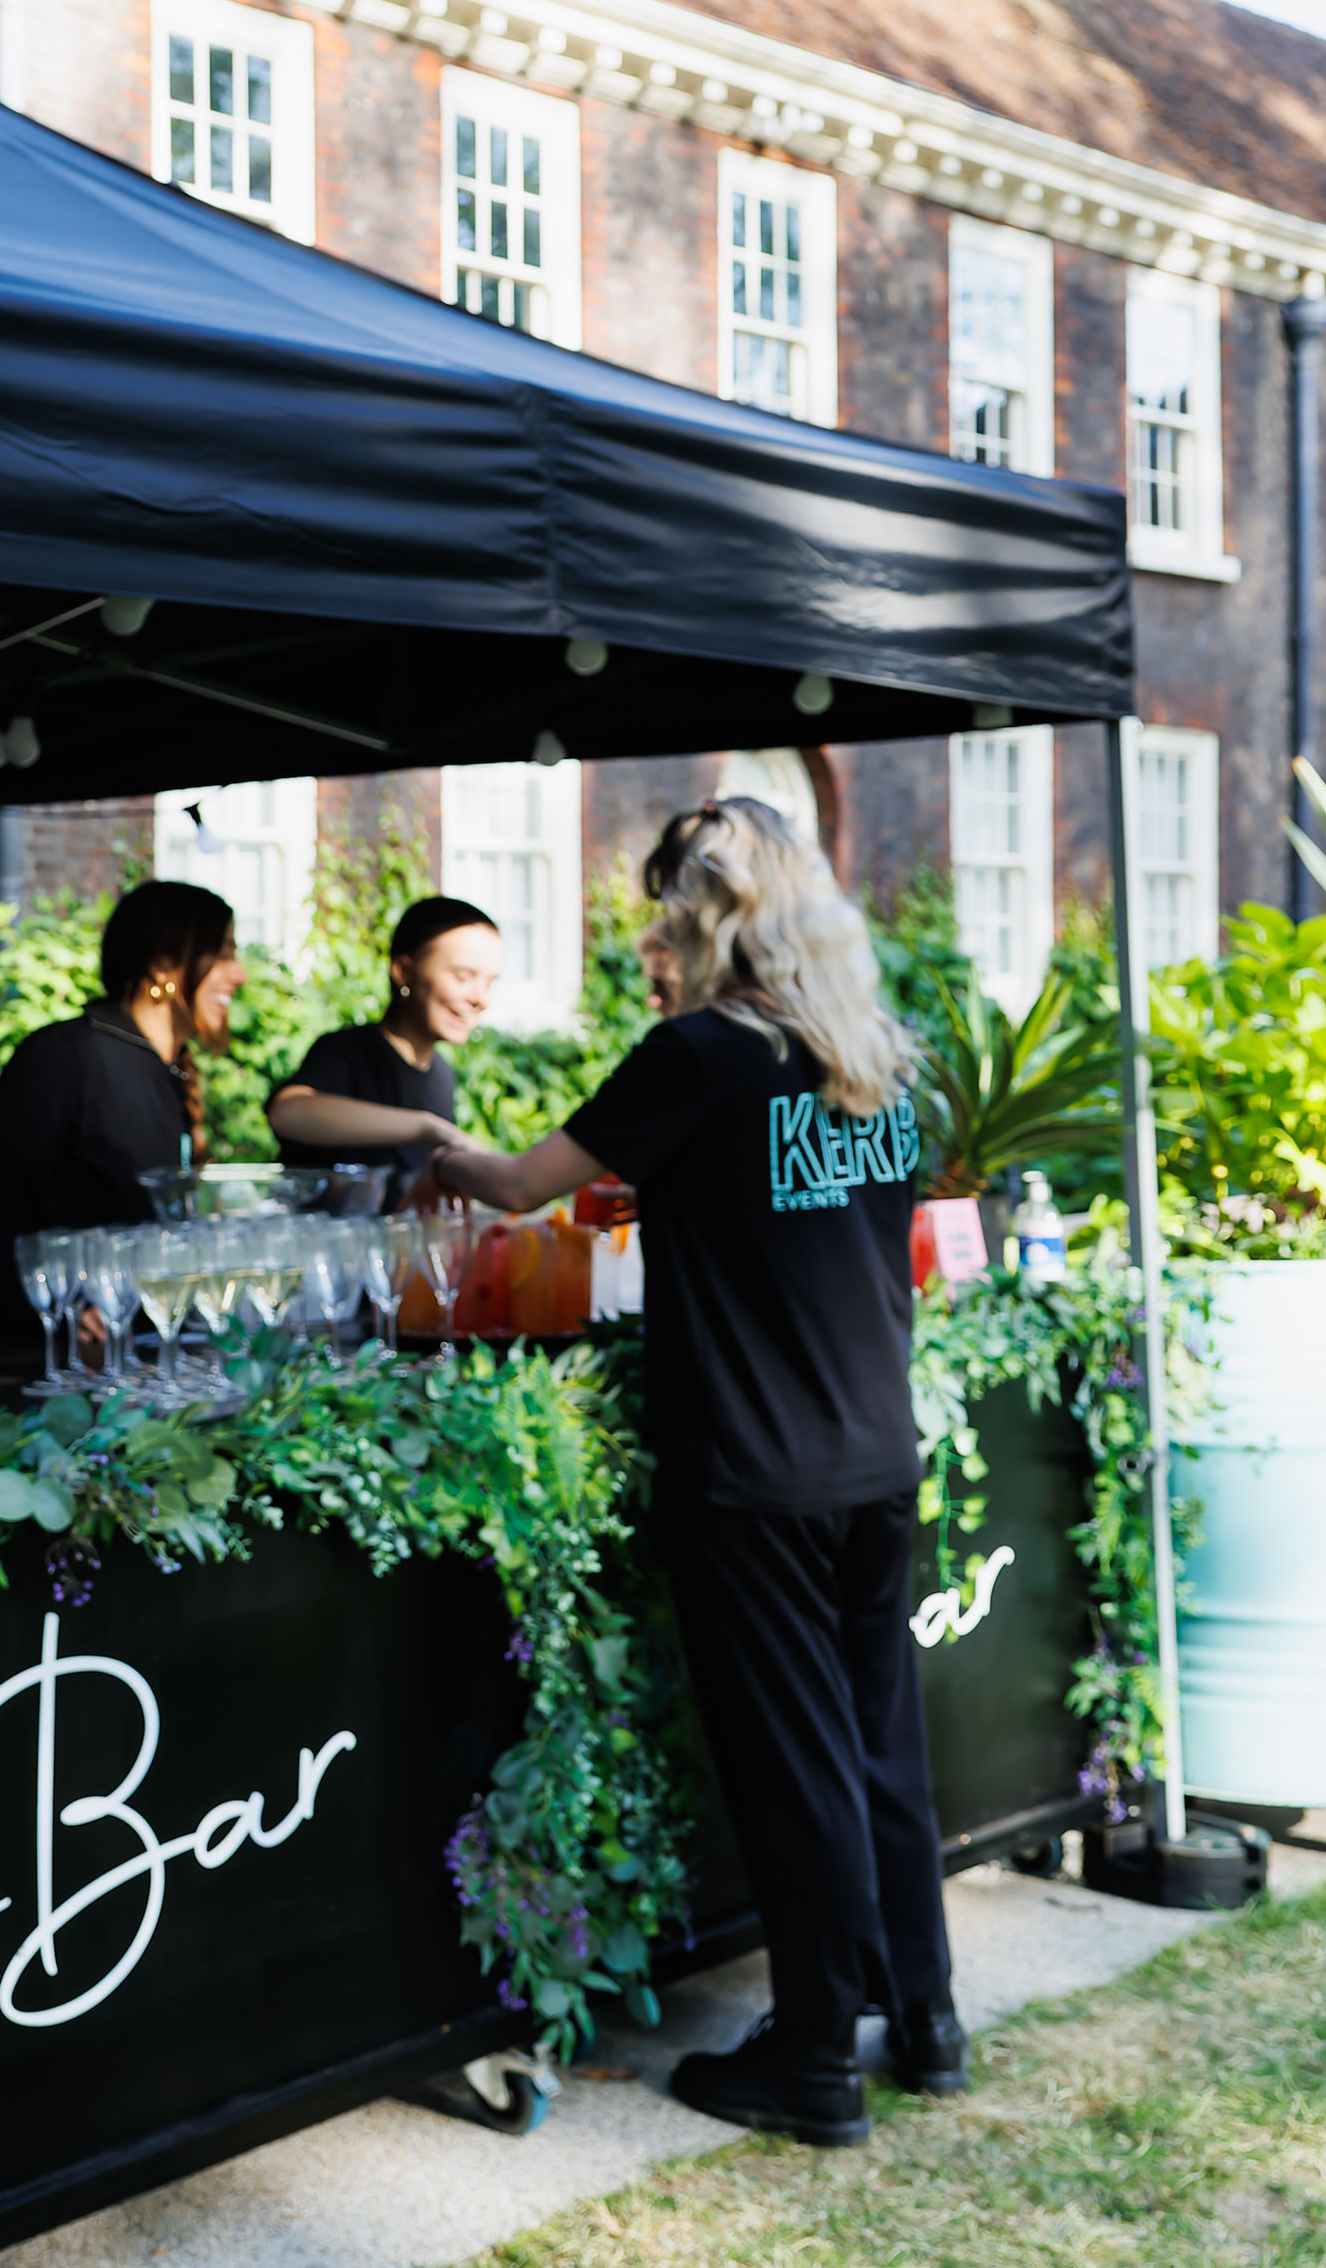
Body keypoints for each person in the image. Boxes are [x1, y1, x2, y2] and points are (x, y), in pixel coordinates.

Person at [419, 798, 957, 2149]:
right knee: (878, 1737)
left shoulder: (699, 1051)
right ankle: (927, 2017)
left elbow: (524, 1183)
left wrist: (431, 1147)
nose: (653, 935)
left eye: (667, 911)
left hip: (754, 1464)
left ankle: (814, 2055)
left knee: (796, 1763)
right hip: (869, 1449)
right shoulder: (870, 1055)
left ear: (707, 919)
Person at [0, 880, 242, 1356]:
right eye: (222, 953)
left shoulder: (168, 1069)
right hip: (61, 1361)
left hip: (151, 1352)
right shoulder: (67, 1055)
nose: (239, 973)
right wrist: (59, 1300)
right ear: (163, 965)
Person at [266, 894, 498, 1191]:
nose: (480, 998)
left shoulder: (442, 1074)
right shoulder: (346, 1051)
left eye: (490, 982)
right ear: (403, 971)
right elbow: (288, 1113)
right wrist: (426, 1127)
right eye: (463, 977)